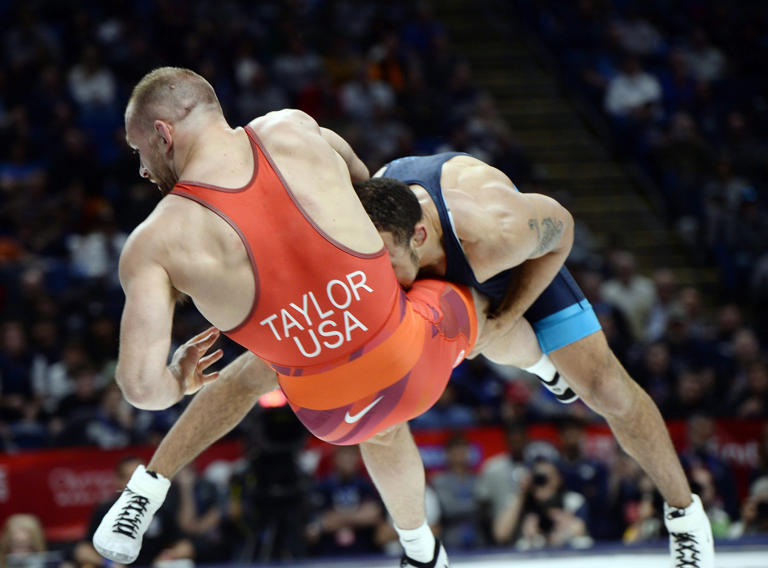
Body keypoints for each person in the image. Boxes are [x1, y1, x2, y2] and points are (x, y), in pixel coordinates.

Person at [93, 67, 563, 568]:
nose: (142, 168)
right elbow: (372, 196)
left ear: (163, 134)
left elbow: (140, 389)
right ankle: (546, 369)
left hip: (327, 412)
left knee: (256, 373)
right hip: (410, 362)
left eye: (137, 149)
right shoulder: (294, 127)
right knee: (463, 302)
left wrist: (177, 382)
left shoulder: (151, 243)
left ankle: (145, 490)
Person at [356, 152, 714, 566]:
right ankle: (542, 367)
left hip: (509, 262)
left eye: (387, 260)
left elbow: (561, 228)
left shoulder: (493, 227)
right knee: (376, 389)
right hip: (436, 258)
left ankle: (686, 516)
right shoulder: (356, 233)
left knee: (607, 389)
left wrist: (507, 314)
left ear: (417, 237)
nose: (378, 271)